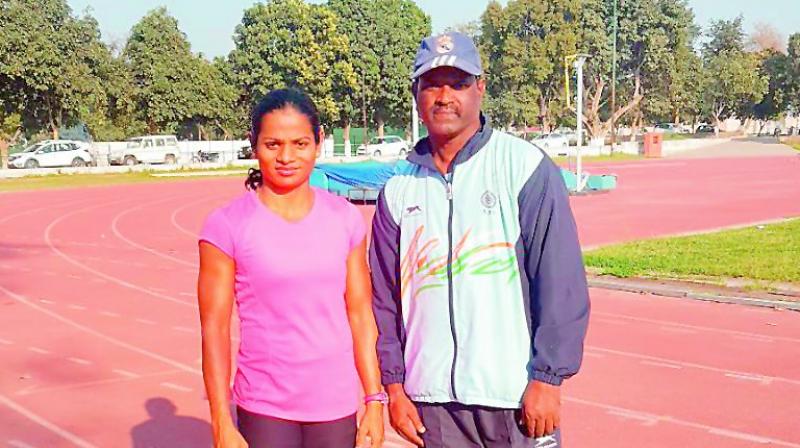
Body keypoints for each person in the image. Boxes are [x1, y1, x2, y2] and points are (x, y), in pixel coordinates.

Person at [370, 32, 591, 448]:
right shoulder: (398, 188)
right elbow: (383, 299)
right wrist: (395, 386)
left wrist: (548, 378)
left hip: (514, 396)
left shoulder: (522, 167)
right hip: (431, 401)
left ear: (480, 88)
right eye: (432, 83)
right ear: (416, 92)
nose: (444, 96)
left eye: (458, 83)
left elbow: (559, 281)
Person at [197, 88, 385, 448]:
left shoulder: (344, 218)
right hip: (265, 406)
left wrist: (374, 400)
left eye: (300, 143)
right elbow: (214, 328)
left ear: (319, 142)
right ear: (254, 144)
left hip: (334, 405)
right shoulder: (226, 226)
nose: (286, 156)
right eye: (273, 144)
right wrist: (221, 419)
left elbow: (360, 313)